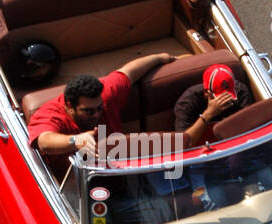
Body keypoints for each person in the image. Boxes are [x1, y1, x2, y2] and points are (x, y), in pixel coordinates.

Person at [28, 52, 174, 163]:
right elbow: (45, 142)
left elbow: (128, 72)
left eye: (100, 108)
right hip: (77, 185)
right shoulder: (51, 115)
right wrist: (77, 140)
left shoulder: (106, 94)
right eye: (89, 111)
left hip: (119, 168)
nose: (97, 114)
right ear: (69, 106)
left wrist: (161, 57)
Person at [173, 64, 252, 147]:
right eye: (219, 97)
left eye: (229, 96)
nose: (225, 101)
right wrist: (207, 115)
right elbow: (183, 145)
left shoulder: (241, 92)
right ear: (206, 93)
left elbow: (249, 128)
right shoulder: (187, 103)